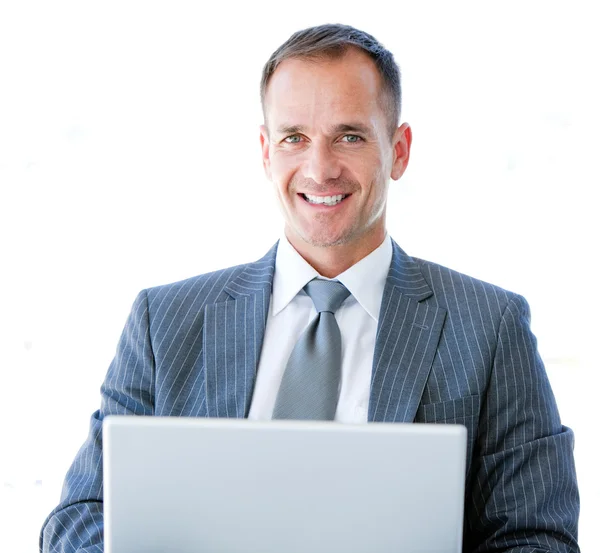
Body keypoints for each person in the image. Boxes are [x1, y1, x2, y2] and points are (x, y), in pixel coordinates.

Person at [40, 23, 580, 552]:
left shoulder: (489, 327)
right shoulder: (165, 320)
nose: (320, 170)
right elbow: (78, 519)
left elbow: (538, 538)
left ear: (399, 150)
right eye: (294, 138)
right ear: (265, 150)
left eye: (349, 136)